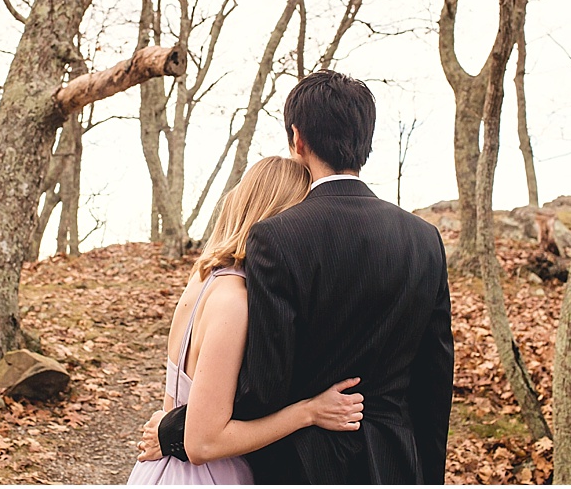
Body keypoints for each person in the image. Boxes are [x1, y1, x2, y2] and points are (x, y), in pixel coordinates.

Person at [141, 69, 454, 484]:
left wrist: (174, 430)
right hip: (395, 463)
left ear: (297, 139)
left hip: (303, 465)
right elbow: (435, 383)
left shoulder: (276, 237)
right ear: (368, 142)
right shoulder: (424, 239)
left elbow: (262, 385)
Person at [127, 156, 365, 485]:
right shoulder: (235, 301)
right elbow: (204, 442)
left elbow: (178, 405)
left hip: (162, 469)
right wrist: (308, 412)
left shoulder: (203, 278)